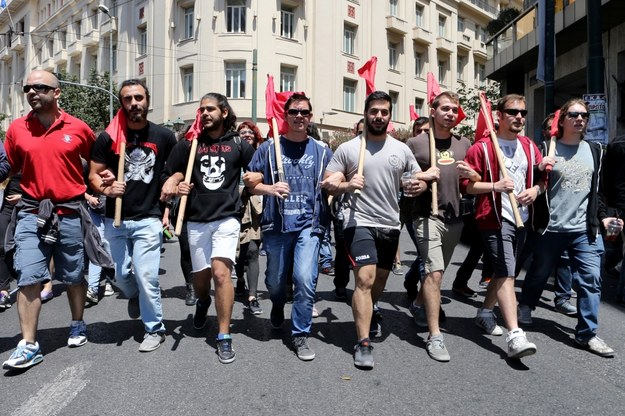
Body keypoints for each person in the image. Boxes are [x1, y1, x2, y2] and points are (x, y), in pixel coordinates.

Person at [2, 70, 100, 370]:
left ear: (57, 93)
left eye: (40, 87)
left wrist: (102, 181)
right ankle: (29, 344)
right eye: (27, 87)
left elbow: (96, 163)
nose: (32, 92)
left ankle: (78, 322)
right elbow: (8, 166)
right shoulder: (17, 129)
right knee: (29, 275)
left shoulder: (79, 128)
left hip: (70, 212)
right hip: (32, 213)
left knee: (72, 275)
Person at [322, 91, 427, 369]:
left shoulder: (401, 149)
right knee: (365, 280)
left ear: (390, 116)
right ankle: (363, 342)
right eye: (374, 111)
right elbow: (328, 182)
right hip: (358, 221)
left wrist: (420, 185)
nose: (379, 116)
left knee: (379, 283)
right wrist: (345, 184)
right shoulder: (348, 149)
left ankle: (371, 308)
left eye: (384, 112)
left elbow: (415, 179)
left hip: (390, 223)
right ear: (366, 114)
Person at [517, 98, 617, 358]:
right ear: (561, 120)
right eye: (573, 114)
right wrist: (538, 172)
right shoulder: (546, 148)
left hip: (585, 230)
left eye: (584, 115)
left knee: (592, 281)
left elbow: (600, 191)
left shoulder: (596, 150)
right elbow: (532, 182)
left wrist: (605, 216)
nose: (580, 119)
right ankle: (526, 304)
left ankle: (586, 334)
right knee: (539, 272)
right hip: (550, 228)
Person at [162, 93, 254, 363]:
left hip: (227, 217)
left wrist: (257, 176)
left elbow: (259, 168)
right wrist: (176, 182)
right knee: (201, 279)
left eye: (210, 109)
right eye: (201, 109)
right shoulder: (190, 143)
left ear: (224, 112)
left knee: (221, 273)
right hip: (196, 219)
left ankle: (224, 335)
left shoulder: (238, 142)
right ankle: (203, 302)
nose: (204, 113)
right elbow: (172, 171)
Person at [89, 79, 176, 353]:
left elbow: (174, 169)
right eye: (128, 99)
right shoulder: (109, 136)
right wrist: (107, 187)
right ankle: (133, 293)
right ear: (121, 103)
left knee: (147, 274)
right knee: (121, 275)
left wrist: (171, 192)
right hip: (115, 219)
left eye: (138, 97)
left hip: (148, 218)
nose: (134, 103)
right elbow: (93, 174)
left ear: (147, 100)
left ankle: (154, 329)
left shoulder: (164, 136)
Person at [245, 93, 332, 361]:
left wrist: (342, 184)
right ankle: (278, 303)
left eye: (304, 112)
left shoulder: (322, 150)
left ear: (310, 117)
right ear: (285, 115)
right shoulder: (269, 148)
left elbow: (335, 180)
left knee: (305, 280)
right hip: (277, 225)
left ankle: (300, 334)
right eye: (293, 112)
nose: (299, 116)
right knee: (274, 282)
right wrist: (269, 188)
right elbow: (249, 182)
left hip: (309, 225)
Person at [461, 94, 541, 359]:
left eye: (523, 113)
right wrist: (494, 185)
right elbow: (468, 187)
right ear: (498, 115)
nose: (519, 117)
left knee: (503, 271)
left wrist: (535, 190)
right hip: (494, 218)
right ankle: (515, 335)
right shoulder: (482, 147)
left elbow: (543, 178)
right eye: (512, 112)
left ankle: (484, 312)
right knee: (507, 272)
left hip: (524, 219)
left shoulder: (530, 146)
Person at [406, 91, 472, 362]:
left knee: (438, 272)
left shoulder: (464, 143)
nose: (450, 113)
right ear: (432, 111)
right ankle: (435, 336)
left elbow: (473, 178)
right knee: (433, 273)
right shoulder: (415, 143)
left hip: (455, 217)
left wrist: (473, 174)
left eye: (454, 110)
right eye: (444, 108)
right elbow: (403, 177)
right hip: (425, 215)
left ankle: (419, 303)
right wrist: (421, 177)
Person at [235, 121, 264, 315]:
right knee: (239, 253)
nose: (246, 134)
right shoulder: (233, 154)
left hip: (255, 208)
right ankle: (240, 280)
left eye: (249, 132)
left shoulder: (262, 155)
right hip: (234, 207)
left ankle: (252, 296)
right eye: (242, 132)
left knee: (253, 250)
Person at [402, 116, 430, 299]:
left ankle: (411, 281)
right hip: (410, 209)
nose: (422, 135)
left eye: (426, 132)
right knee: (425, 253)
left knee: (425, 253)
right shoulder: (405, 151)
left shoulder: (434, 152)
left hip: (431, 208)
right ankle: (425, 299)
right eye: (418, 131)